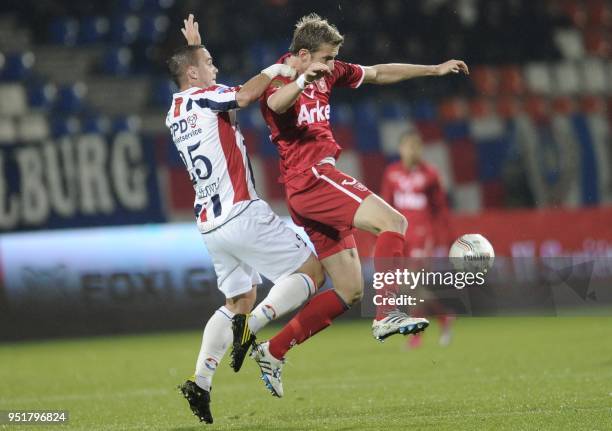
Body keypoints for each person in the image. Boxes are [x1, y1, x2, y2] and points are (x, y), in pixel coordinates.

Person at [247, 13, 469, 397]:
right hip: (311, 178)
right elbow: (279, 105)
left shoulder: (328, 72)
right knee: (394, 222)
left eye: (334, 59)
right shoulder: (280, 77)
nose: (333, 66)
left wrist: (433, 69)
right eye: (327, 59)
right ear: (302, 54)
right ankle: (387, 314)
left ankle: (274, 350)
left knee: (349, 291)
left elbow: (380, 73)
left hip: (311, 187)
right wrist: (303, 78)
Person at [168, 15, 325, 423]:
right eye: (209, 62)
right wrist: (280, 68)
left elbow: (208, 89)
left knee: (236, 299)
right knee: (314, 270)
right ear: (192, 73)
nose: (215, 67)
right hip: (241, 211)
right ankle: (252, 328)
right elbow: (243, 96)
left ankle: (200, 382)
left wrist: (197, 48)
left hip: (209, 224)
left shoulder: (174, 111)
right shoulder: (205, 97)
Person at [380, 130, 455, 348]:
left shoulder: (430, 174)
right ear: (401, 148)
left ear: (421, 149)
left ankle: (417, 334)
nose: (412, 150)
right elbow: (386, 207)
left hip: (423, 236)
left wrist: (447, 238)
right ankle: (443, 317)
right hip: (401, 237)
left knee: (411, 284)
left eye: (416, 146)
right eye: (408, 146)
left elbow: (441, 209)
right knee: (406, 287)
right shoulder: (391, 173)